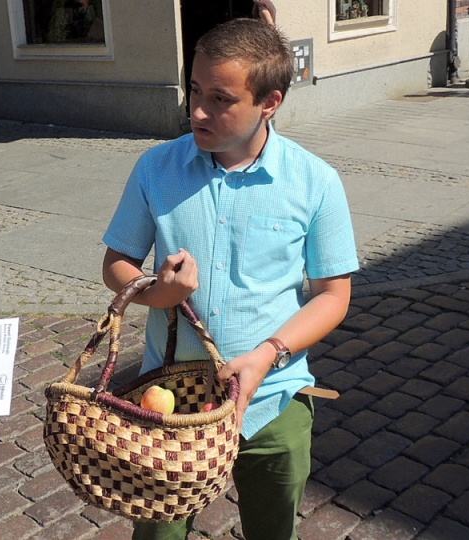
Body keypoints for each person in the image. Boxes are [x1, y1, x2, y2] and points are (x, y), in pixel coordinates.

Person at [101, 18, 358, 540]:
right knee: (157, 534)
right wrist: (159, 293)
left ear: (270, 101)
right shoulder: (156, 167)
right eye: (195, 90)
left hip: (274, 402)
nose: (197, 110)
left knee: (272, 529)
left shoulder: (315, 182)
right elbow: (116, 263)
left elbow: (334, 296)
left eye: (220, 98)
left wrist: (269, 354)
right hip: (169, 403)